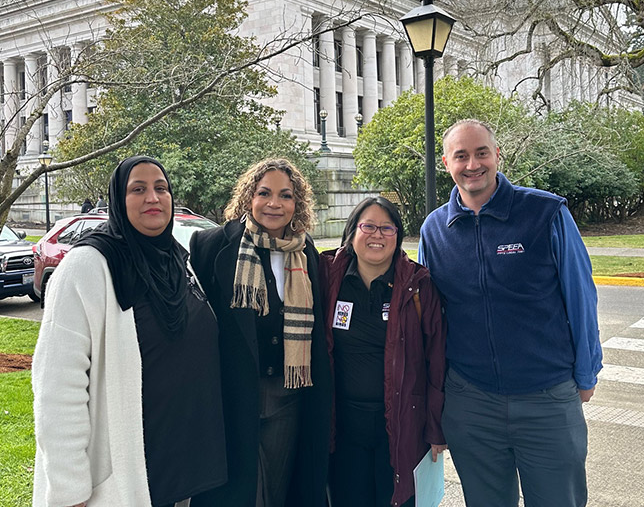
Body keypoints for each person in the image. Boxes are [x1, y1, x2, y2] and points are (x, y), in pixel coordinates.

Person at [418, 119, 603, 507]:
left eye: (482, 153)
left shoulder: (545, 212)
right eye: (461, 156)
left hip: (546, 397)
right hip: (471, 402)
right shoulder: (435, 229)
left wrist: (586, 373)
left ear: (497, 155)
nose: (473, 164)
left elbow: (580, 296)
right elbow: (430, 321)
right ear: (446, 163)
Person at [32, 156, 226, 507]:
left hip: (183, 466)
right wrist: (69, 487)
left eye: (161, 188)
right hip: (124, 479)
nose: (153, 197)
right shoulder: (87, 266)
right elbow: (57, 387)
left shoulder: (177, 261)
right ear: (118, 201)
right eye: (138, 189)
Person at [189, 157, 331, 507]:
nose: (274, 203)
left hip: (287, 396)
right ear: (248, 197)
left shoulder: (305, 253)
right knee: (235, 493)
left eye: (285, 195)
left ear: (297, 203)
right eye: (264, 193)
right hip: (233, 395)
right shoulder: (211, 246)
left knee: (278, 491)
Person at [320, 197, 446, 507]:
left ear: (398, 236)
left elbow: (437, 359)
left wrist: (436, 428)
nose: (377, 235)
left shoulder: (417, 285)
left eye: (387, 228)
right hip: (343, 426)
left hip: (402, 425)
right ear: (352, 232)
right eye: (368, 226)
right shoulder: (328, 277)